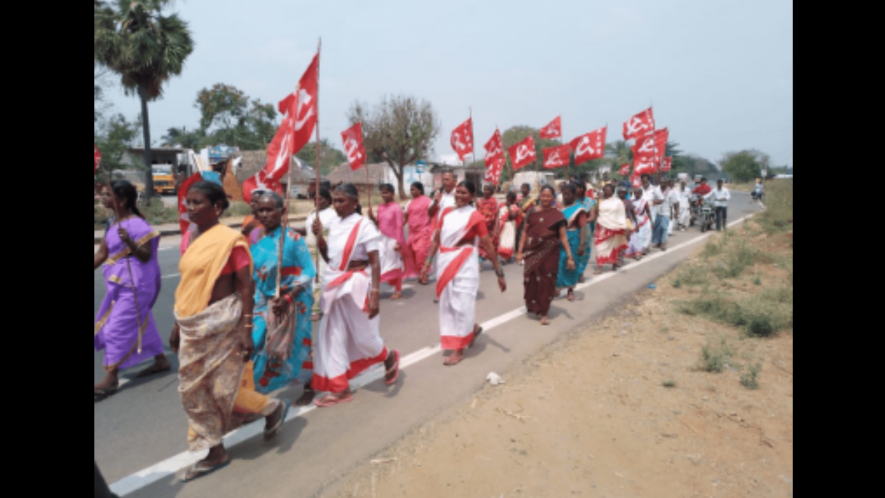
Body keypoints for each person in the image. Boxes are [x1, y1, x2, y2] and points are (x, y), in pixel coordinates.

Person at [171, 181, 288, 483]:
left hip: (223, 321)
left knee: (220, 387)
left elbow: (245, 287)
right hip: (192, 323)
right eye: (188, 202)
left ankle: (216, 450)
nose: (190, 208)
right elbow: (187, 285)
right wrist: (176, 325)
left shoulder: (231, 241)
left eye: (197, 202)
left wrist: (247, 332)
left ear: (217, 208)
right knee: (193, 388)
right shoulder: (189, 238)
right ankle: (267, 409)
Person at [311, 184, 401, 407]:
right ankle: (340, 389)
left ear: (354, 201)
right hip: (335, 282)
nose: (337, 205)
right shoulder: (333, 224)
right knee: (332, 335)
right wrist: (320, 239)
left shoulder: (364, 226)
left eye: (341, 201)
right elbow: (330, 258)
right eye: (335, 201)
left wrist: (375, 293)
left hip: (356, 284)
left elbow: (375, 262)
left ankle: (387, 356)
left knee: (364, 337)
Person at [94, 181, 169, 398]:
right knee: (142, 320)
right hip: (120, 283)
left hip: (135, 284)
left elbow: (145, 255)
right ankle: (161, 360)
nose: (103, 198)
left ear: (122, 200)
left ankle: (111, 377)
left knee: (114, 327)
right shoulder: (112, 223)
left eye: (108, 195)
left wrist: (130, 243)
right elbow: (101, 254)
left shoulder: (137, 226)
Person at [421, 181, 507, 366]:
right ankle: (472, 329)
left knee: (462, 304)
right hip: (445, 262)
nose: (459, 195)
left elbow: (488, 245)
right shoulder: (446, 214)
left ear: (472, 196)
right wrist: (427, 264)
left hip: (465, 264)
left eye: (464, 192)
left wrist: (499, 272)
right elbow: (436, 240)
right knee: (449, 304)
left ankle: (458, 349)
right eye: (457, 192)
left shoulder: (475, 217)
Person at [249, 192, 317, 406]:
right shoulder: (255, 238)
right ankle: (255, 396)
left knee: (298, 346)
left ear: (282, 211)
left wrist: (289, 297)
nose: (265, 214)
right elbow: (253, 274)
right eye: (261, 210)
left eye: (270, 209)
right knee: (257, 344)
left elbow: (308, 270)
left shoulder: (293, 239)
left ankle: (309, 384)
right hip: (264, 302)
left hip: (294, 302)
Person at [517, 185, 575, 326]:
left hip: (550, 252)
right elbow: (524, 232)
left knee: (546, 282)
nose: (546, 198)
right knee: (530, 279)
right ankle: (532, 305)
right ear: (540, 196)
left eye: (549, 196)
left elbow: (563, 237)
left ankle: (544, 312)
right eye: (543, 195)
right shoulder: (532, 212)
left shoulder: (557, 215)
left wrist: (569, 256)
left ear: (553, 198)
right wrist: (519, 251)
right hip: (532, 251)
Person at [368, 184, 405, 300]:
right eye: (382, 193)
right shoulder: (380, 207)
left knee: (394, 264)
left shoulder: (396, 208)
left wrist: (399, 242)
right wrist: (371, 217)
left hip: (392, 240)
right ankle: (375, 289)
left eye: (386, 193)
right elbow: (378, 224)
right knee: (379, 262)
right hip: (381, 239)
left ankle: (398, 290)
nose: (384, 195)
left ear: (392, 194)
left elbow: (400, 226)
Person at [304, 188, 336, 321]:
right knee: (310, 279)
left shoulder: (332, 215)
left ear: (328, 200)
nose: (317, 201)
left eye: (320, 198)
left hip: (323, 252)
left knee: (321, 279)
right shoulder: (312, 214)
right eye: (315, 198)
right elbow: (307, 231)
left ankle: (317, 309)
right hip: (309, 252)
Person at [556, 184, 588, 302]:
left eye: (569, 194)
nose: (567, 196)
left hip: (573, 237)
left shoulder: (579, 209)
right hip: (560, 238)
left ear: (574, 195)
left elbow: (583, 227)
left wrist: (582, 244)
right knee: (559, 262)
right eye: (565, 194)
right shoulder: (560, 209)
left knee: (571, 263)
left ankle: (570, 289)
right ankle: (558, 287)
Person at [594, 184, 630, 274]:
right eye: (605, 190)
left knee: (614, 246)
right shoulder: (601, 202)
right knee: (599, 247)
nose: (606, 191)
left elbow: (622, 215)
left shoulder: (618, 202)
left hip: (614, 227)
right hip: (602, 227)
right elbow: (598, 213)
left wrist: (624, 226)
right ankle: (600, 268)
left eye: (608, 190)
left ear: (613, 191)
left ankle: (614, 264)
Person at [402, 182, 433, 283]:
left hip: (424, 232)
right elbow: (405, 218)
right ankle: (420, 273)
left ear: (420, 190)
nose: (412, 191)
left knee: (421, 253)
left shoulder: (428, 201)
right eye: (411, 189)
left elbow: (433, 214)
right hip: (412, 233)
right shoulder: (409, 203)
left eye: (414, 189)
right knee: (413, 255)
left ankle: (425, 274)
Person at [626, 187, 653, 260]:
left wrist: (651, 221)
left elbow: (648, 211)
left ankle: (638, 252)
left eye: (638, 193)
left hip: (642, 221)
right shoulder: (631, 201)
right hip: (633, 220)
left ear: (641, 193)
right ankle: (633, 251)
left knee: (639, 236)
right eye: (635, 193)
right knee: (632, 237)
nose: (636, 194)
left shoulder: (644, 201)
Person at [476, 184, 500, 262]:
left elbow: (495, 215)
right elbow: (477, 213)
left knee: (491, 245)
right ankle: (480, 261)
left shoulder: (494, 201)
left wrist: (494, 227)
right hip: (481, 226)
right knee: (480, 244)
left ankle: (494, 262)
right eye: (485, 189)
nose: (486, 191)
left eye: (488, 190)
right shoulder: (479, 201)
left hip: (491, 228)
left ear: (492, 192)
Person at [496, 191, 522, 262]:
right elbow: (497, 214)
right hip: (501, 225)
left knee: (508, 242)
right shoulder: (501, 205)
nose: (508, 200)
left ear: (513, 200)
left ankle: (506, 258)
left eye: (511, 199)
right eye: (508, 198)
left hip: (509, 226)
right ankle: (504, 256)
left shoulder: (515, 208)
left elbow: (512, 217)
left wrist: (508, 207)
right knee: (502, 242)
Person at [651, 177, 675, 251]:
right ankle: (658, 242)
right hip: (657, 211)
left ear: (666, 183)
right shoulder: (656, 190)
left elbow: (675, 203)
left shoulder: (671, 192)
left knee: (664, 227)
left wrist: (674, 212)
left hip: (666, 212)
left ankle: (663, 243)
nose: (662, 184)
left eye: (664, 183)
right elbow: (652, 199)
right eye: (661, 182)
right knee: (657, 228)